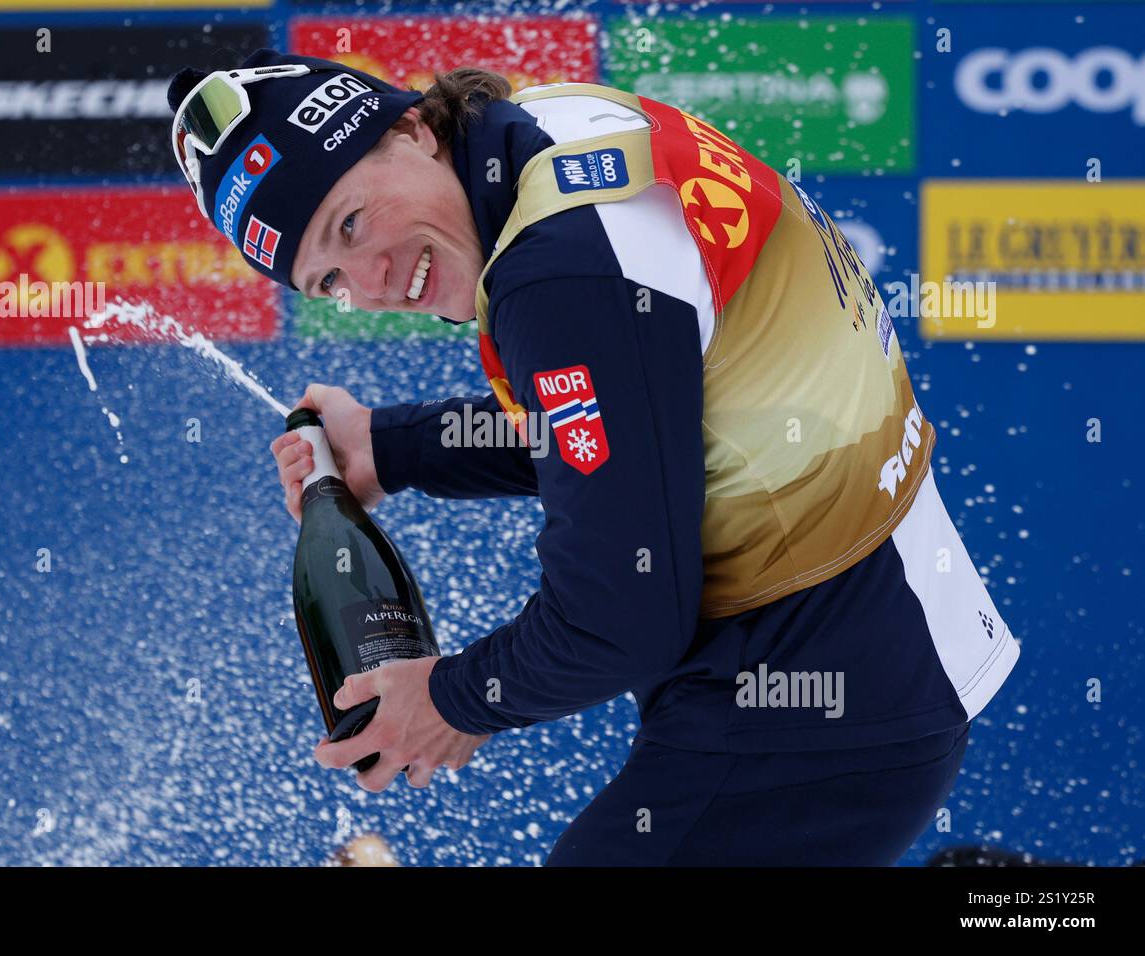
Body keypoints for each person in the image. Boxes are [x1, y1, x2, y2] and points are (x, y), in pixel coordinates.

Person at [168, 50, 1020, 865]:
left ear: (416, 128)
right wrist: (391, 448)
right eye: (330, 282)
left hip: (819, 699)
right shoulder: (552, 126)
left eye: (351, 223)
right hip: (871, 637)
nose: (375, 279)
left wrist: (451, 700)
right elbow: (639, 422)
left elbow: (623, 615)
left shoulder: (560, 272)